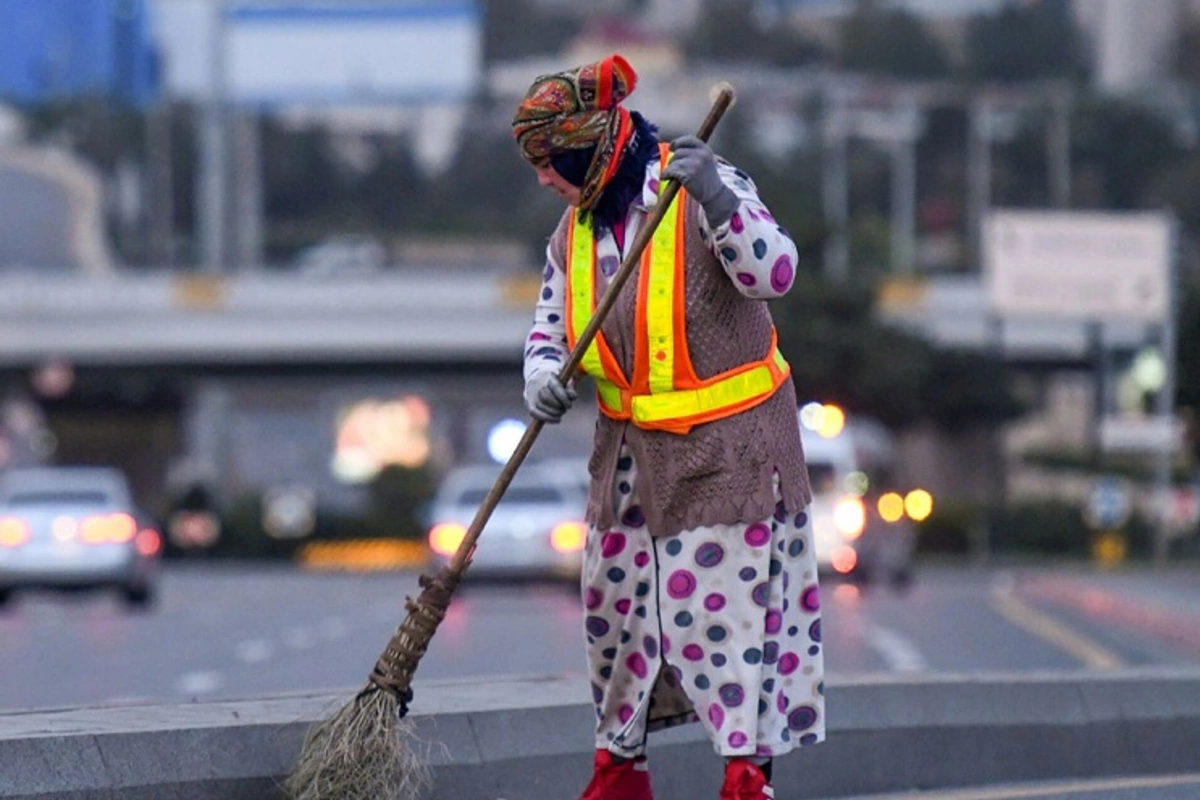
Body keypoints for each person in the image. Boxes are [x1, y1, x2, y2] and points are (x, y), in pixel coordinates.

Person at [512, 54, 824, 800]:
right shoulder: (574, 231)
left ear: (586, 152)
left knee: (724, 621)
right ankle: (620, 770)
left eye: (550, 163)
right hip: (628, 461)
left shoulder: (694, 190)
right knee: (618, 619)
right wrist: (542, 375)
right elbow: (550, 326)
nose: (544, 180)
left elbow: (774, 272)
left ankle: (747, 774)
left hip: (732, 451)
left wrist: (717, 195)